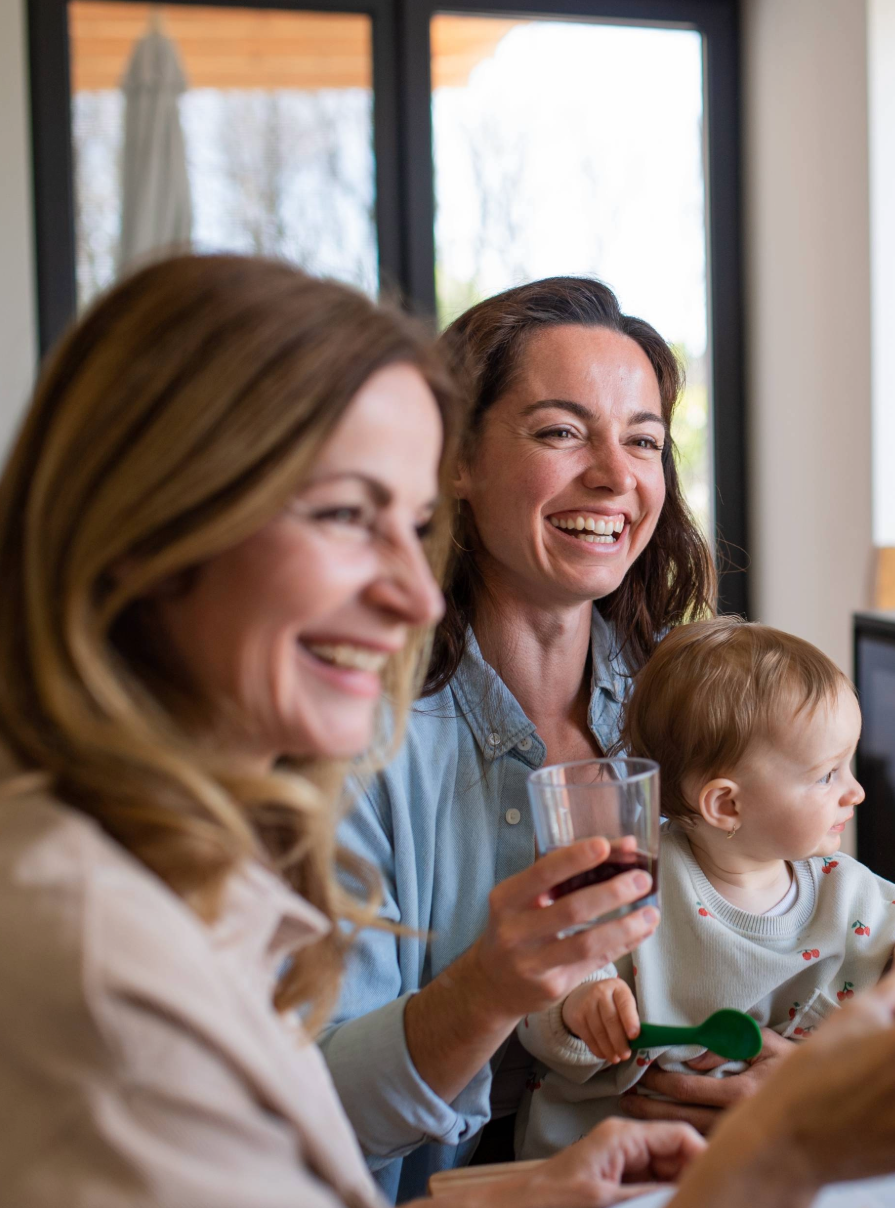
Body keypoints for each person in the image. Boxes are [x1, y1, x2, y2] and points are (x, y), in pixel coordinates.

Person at [0, 254, 895, 1208]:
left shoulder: (687, 691)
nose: (404, 584)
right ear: (153, 531)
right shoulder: (89, 933)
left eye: (643, 439)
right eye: (342, 513)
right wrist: (761, 1153)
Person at [318, 278, 779, 1200]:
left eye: (643, 440)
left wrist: (763, 1061)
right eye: (562, 431)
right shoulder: (351, 740)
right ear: (456, 459)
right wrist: (488, 989)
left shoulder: (694, 704)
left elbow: (789, 928)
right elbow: (315, 1117)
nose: (615, 475)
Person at [516, 618, 895, 1158]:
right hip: (607, 1171)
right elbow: (536, 994)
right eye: (826, 775)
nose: (855, 791)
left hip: (766, 1167)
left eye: (848, 766)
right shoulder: (630, 879)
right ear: (727, 805)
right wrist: (580, 1005)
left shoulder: (848, 893)